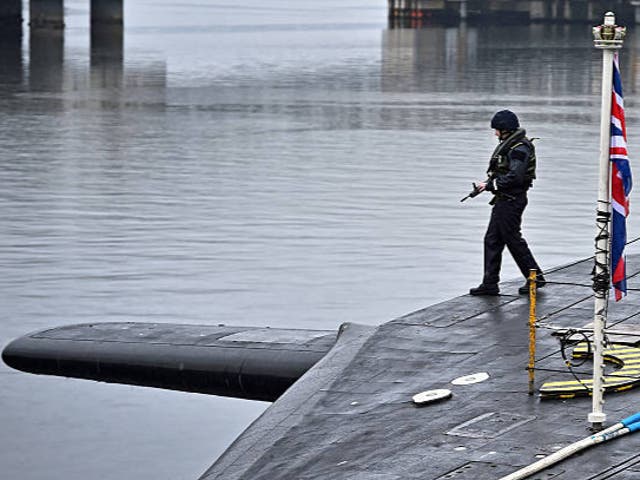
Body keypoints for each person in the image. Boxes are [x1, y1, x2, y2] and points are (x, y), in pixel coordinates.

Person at [469, 110, 545, 296]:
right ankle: (490, 284)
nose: (495, 134)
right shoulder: (512, 146)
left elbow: (515, 176)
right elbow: (505, 174)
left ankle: (535, 278)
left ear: (505, 130)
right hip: (504, 200)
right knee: (492, 240)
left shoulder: (520, 148)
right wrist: (487, 184)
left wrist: (491, 185)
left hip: (512, 201)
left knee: (512, 239)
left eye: (497, 130)